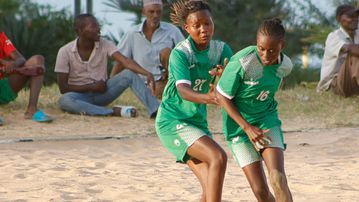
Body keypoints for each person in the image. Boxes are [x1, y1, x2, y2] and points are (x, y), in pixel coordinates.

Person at [155, 1, 232, 201]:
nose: (203, 29)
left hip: (197, 122)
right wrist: (211, 97)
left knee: (209, 188)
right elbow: (184, 91)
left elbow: (231, 85)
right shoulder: (181, 53)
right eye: (197, 25)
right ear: (187, 28)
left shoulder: (221, 50)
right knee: (219, 157)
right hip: (173, 121)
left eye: (207, 23)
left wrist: (224, 78)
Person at [216, 18, 293, 202]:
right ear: (256, 43)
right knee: (261, 192)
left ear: (282, 45)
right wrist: (247, 128)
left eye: (272, 50)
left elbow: (269, 90)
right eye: (261, 48)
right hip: (238, 127)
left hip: (266, 120)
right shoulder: (244, 62)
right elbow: (222, 96)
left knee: (278, 178)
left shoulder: (286, 66)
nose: (266, 55)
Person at [55, 14, 159, 118]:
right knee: (64, 101)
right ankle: (110, 112)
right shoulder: (64, 52)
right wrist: (91, 87)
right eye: (93, 26)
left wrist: (147, 73)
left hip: (103, 93)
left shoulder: (105, 44)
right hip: (80, 97)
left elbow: (125, 61)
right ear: (80, 31)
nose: (98, 29)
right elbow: (63, 88)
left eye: (98, 25)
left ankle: (157, 110)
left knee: (129, 74)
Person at [110, 0, 184, 99]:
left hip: (167, 80)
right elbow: (121, 60)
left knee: (167, 52)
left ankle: (176, 89)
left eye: (158, 12)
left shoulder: (172, 30)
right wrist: (110, 84)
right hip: (142, 83)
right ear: (143, 12)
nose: (155, 15)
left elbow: (185, 54)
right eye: (151, 12)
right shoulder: (132, 33)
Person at [0, 32, 52, 125]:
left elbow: (20, 59)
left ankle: (32, 110)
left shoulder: (1, 36)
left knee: (37, 60)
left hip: (2, 88)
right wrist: (3, 62)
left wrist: (13, 64)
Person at [317, 4, 359, 97]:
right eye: (351, 16)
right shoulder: (333, 37)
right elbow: (350, 49)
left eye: (357, 16)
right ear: (339, 19)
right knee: (354, 55)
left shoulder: (357, 34)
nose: (355, 19)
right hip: (334, 84)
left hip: (352, 81)